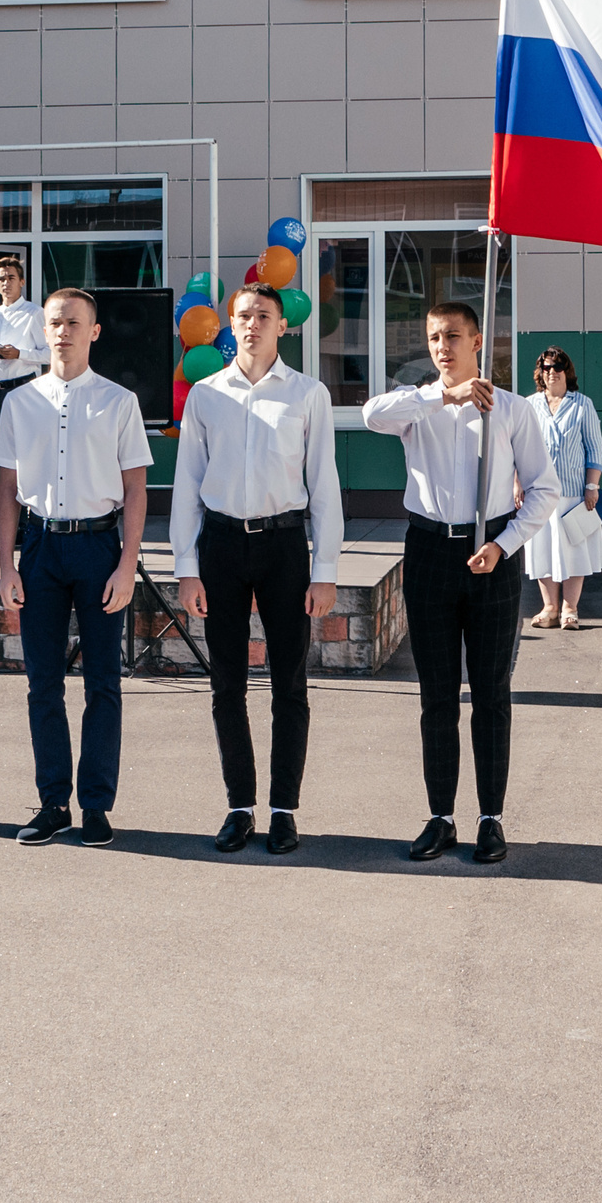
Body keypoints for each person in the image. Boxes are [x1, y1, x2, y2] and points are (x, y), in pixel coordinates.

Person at [362, 301, 561, 866]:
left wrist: (504, 545)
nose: (441, 347)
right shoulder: (416, 407)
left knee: (491, 694)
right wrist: (438, 396)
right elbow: (371, 414)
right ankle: (440, 816)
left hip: (491, 552)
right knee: (436, 696)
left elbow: (544, 488)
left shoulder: (513, 410)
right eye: (432, 338)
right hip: (428, 549)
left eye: (452, 336)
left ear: (478, 341)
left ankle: (491, 819)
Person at [173, 284, 343, 856]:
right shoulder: (205, 395)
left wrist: (326, 571)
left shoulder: (307, 394)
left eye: (263, 316)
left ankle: (284, 810)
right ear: (231, 323)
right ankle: (240, 806)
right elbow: (187, 489)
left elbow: (324, 487)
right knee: (227, 685)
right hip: (221, 546)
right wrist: (186, 567)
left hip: (285, 548)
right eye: (243, 316)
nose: (252, 325)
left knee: (289, 685)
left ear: (281, 327)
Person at [0, 288, 152, 850]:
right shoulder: (19, 403)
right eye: (55, 322)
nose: (63, 331)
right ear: (43, 330)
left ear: (95, 331)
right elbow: (8, 489)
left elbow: (136, 487)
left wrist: (128, 564)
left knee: (103, 683)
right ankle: (52, 802)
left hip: (99, 549)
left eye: (74, 322)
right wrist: (6, 564)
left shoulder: (118, 401)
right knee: (43, 684)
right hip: (39, 549)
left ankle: (96, 806)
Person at [523, 346, 602, 630]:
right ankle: (549, 608)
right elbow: (518, 449)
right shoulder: (529, 405)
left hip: (572, 493)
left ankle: (570, 609)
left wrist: (591, 485)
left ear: (567, 372)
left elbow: (594, 450)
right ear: (540, 373)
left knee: (574, 550)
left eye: (557, 367)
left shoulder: (583, 404)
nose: (552, 372)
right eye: (546, 368)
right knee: (542, 549)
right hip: (539, 491)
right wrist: (516, 483)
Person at [0, 255, 47, 422]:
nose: (6, 283)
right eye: (2, 279)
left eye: (11, 278)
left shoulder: (34, 313)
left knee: (23, 439)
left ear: (22, 281)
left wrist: (19, 354)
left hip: (22, 387)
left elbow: (50, 354)